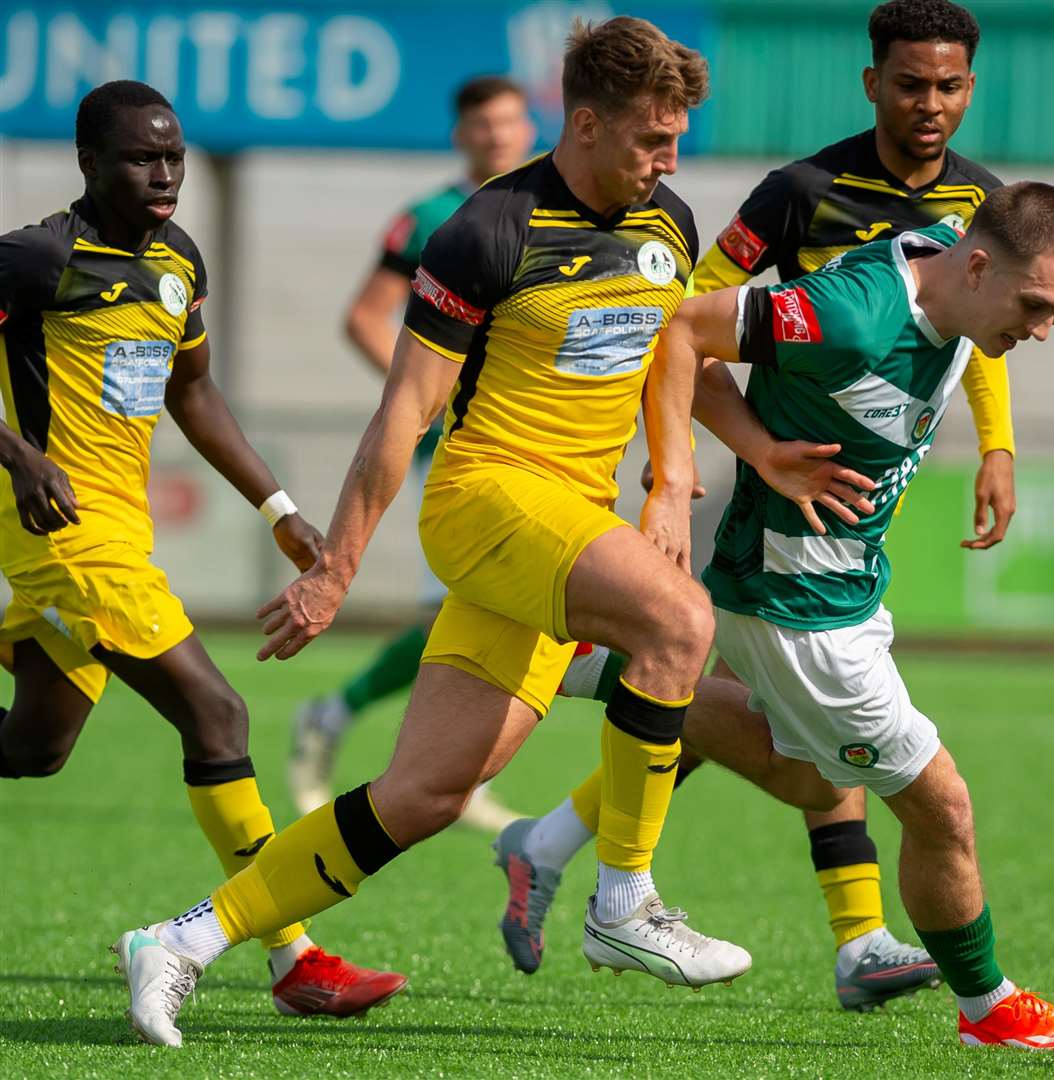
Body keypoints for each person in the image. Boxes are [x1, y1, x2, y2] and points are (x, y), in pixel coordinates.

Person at [108, 18, 821, 1048]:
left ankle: (179, 941)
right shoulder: (487, 231)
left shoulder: (664, 219)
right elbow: (402, 414)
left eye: (676, 141)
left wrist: (713, 466)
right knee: (678, 621)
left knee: (428, 792)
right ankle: (624, 901)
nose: (669, 161)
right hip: (487, 500)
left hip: (570, 521)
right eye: (650, 140)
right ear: (583, 122)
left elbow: (680, 357)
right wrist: (333, 572)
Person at [496, 0, 1054, 1013]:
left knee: (800, 761)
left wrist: (1029, 393)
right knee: (918, 790)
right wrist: (699, 464)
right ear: (873, 84)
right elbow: (683, 314)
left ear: (969, 90)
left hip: (851, 534)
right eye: (910, 84)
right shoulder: (807, 197)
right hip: (784, 500)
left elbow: (985, 297)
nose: (929, 104)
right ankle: (925, 976)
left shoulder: (973, 214)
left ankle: (586, 732)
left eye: (948, 87)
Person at [0, 80, 406, 1032]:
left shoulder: (179, 259)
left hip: (121, 537)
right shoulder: (35, 259)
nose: (166, 173)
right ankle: (294, 957)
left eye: (174, 155)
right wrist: (18, 452)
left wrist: (279, 510)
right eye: (144, 157)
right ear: (90, 163)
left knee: (36, 746)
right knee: (217, 715)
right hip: (69, 540)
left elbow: (194, 392)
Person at [691, 181, 1054, 1050]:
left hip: (841, 590)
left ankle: (605, 663)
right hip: (800, 604)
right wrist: (758, 455)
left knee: (815, 780)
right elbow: (682, 333)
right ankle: (988, 1009)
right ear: (975, 266)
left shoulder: (946, 258)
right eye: (1035, 310)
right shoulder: (854, 315)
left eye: (1052, 314)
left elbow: (992, 273)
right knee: (942, 809)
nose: (1036, 331)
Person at [289, 75, 536, 832]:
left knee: (478, 613)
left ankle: (397, 745)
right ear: (460, 135)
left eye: (509, 123)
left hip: (541, 442)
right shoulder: (433, 217)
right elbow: (365, 320)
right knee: (489, 607)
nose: (497, 137)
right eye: (482, 125)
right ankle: (363, 726)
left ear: (531, 129)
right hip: (467, 446)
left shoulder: (558, 208)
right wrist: (423, 400)